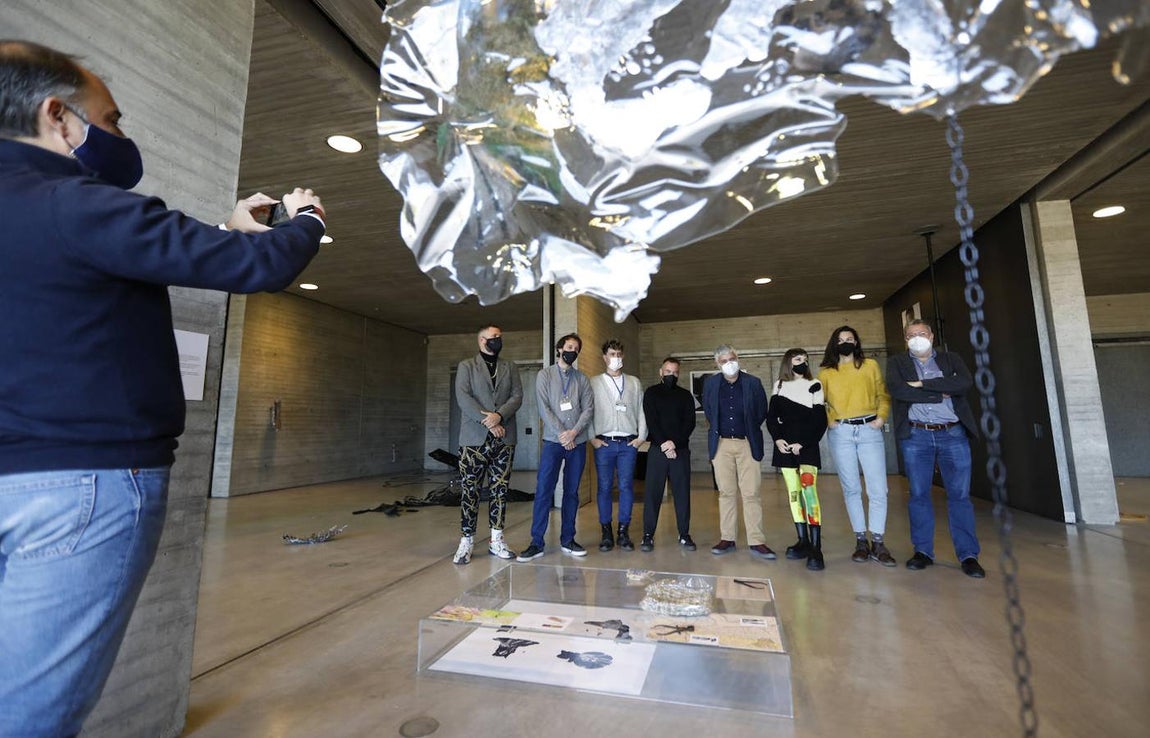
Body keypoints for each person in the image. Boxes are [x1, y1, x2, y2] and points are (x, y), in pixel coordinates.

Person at [0, 41, 325, 737]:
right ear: (57, 117)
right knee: (28, 715)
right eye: (111, 119)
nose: (121, 137)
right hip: (77, 489)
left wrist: (219, 229)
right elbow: (260, 265)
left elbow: (90, 272)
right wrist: (308, 220)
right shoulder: (75, 203)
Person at [887, 320, 985, 578]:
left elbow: (963, 384)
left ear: (931, 335)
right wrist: (939, 389)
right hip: (916, 435)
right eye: (911, 335)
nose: (916, 338)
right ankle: (923, 551)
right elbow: (898, 391)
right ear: (904, 338)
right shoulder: (898, 363)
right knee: (918, 494)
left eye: (921, 334)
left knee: (959, 496)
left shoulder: (951, 359)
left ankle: (968, 555)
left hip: (952, 434)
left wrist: (920, 385)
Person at [817, 326, 896, 566]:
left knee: (878, 488)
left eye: (850, 339)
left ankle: (879, 542)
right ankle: (861, 540)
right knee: (851, 488)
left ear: (856, 342)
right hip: (841, 432)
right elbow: (819, 402)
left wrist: (881, 417)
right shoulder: (826, 373)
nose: (845, 343)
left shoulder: (870, 366)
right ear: (834, 344)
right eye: (841, 340)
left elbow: (883, 395)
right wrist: (831, 421)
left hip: (868, 429)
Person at [517, 334, 594, 561]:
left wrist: (573, 433)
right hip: (553, 442)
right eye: (569, 347)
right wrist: (562, 434)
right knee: (544, 491)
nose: (573, 351)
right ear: (560, 349)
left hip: (577, 443)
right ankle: (536, 542)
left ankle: (568, 539)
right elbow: (544, 407)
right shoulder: (545, 375)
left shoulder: (582, 379)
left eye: (576, 348)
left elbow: (588, 409)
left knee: (571, 492)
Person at [451, 324, 523, 564]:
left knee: (499, 490)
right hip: (473, 441)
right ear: (482, 340)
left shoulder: (510, 367)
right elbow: (464, 398)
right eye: (494, 337)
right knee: (470, 491)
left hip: (504, 439)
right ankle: (466, 540)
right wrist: (490, 422)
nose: (498, 340)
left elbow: (517, 396)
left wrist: (499, 416)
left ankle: (497, 539)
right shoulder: (467, 366)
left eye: (500, 337)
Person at [702, 345, 776, 560]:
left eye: (732, 358)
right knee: (726, 493)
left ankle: (757, 541)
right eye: (723, 361)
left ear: (738, 358)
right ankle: (728, 538)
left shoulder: (753, 383)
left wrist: (750, 429)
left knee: (751, 493)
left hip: (747, 442)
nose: (729, 363)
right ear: (717, 364)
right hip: (721, 444)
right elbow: (709, 410)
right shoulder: (711, 384)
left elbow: (762, 410)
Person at [767, 349, 829, 570]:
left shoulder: (815, 385)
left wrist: (802, 443)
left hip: (807, 447)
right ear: (788, 363)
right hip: (784, 448)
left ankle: (816, 547)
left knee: (809, 493)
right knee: (794, 495)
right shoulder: (779, 386)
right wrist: (778, 439)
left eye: (805, 359)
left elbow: (820, 421)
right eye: (798, 359)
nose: (803, 363)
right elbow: (772, 416)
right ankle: (802, 540)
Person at [590, 339, 647, 552]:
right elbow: (587, 411)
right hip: (603, 442)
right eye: (612, 354)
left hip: (628, 443)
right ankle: (606, 532)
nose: (616, 358)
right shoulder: (594, 382)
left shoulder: (633, 382)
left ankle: (623, 532)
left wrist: (641, 437)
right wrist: (592, 438)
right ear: (604, 357)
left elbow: (641, 409)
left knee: (626, 487)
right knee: (604, 487)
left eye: (619, 354)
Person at [641, 357, 697, 552]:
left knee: (682, 494)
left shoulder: (686, 396)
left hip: (680, 451)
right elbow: (651, 420)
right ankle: (647, 535)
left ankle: (684, 533)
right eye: (667, 371)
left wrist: (674, 443)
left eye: (674, 372)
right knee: (652, 493)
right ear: (660, 372)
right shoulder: (651, 393)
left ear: (678, 374)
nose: (671, 375)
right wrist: (665, 444)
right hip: (658, 450)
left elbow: (689, 423)